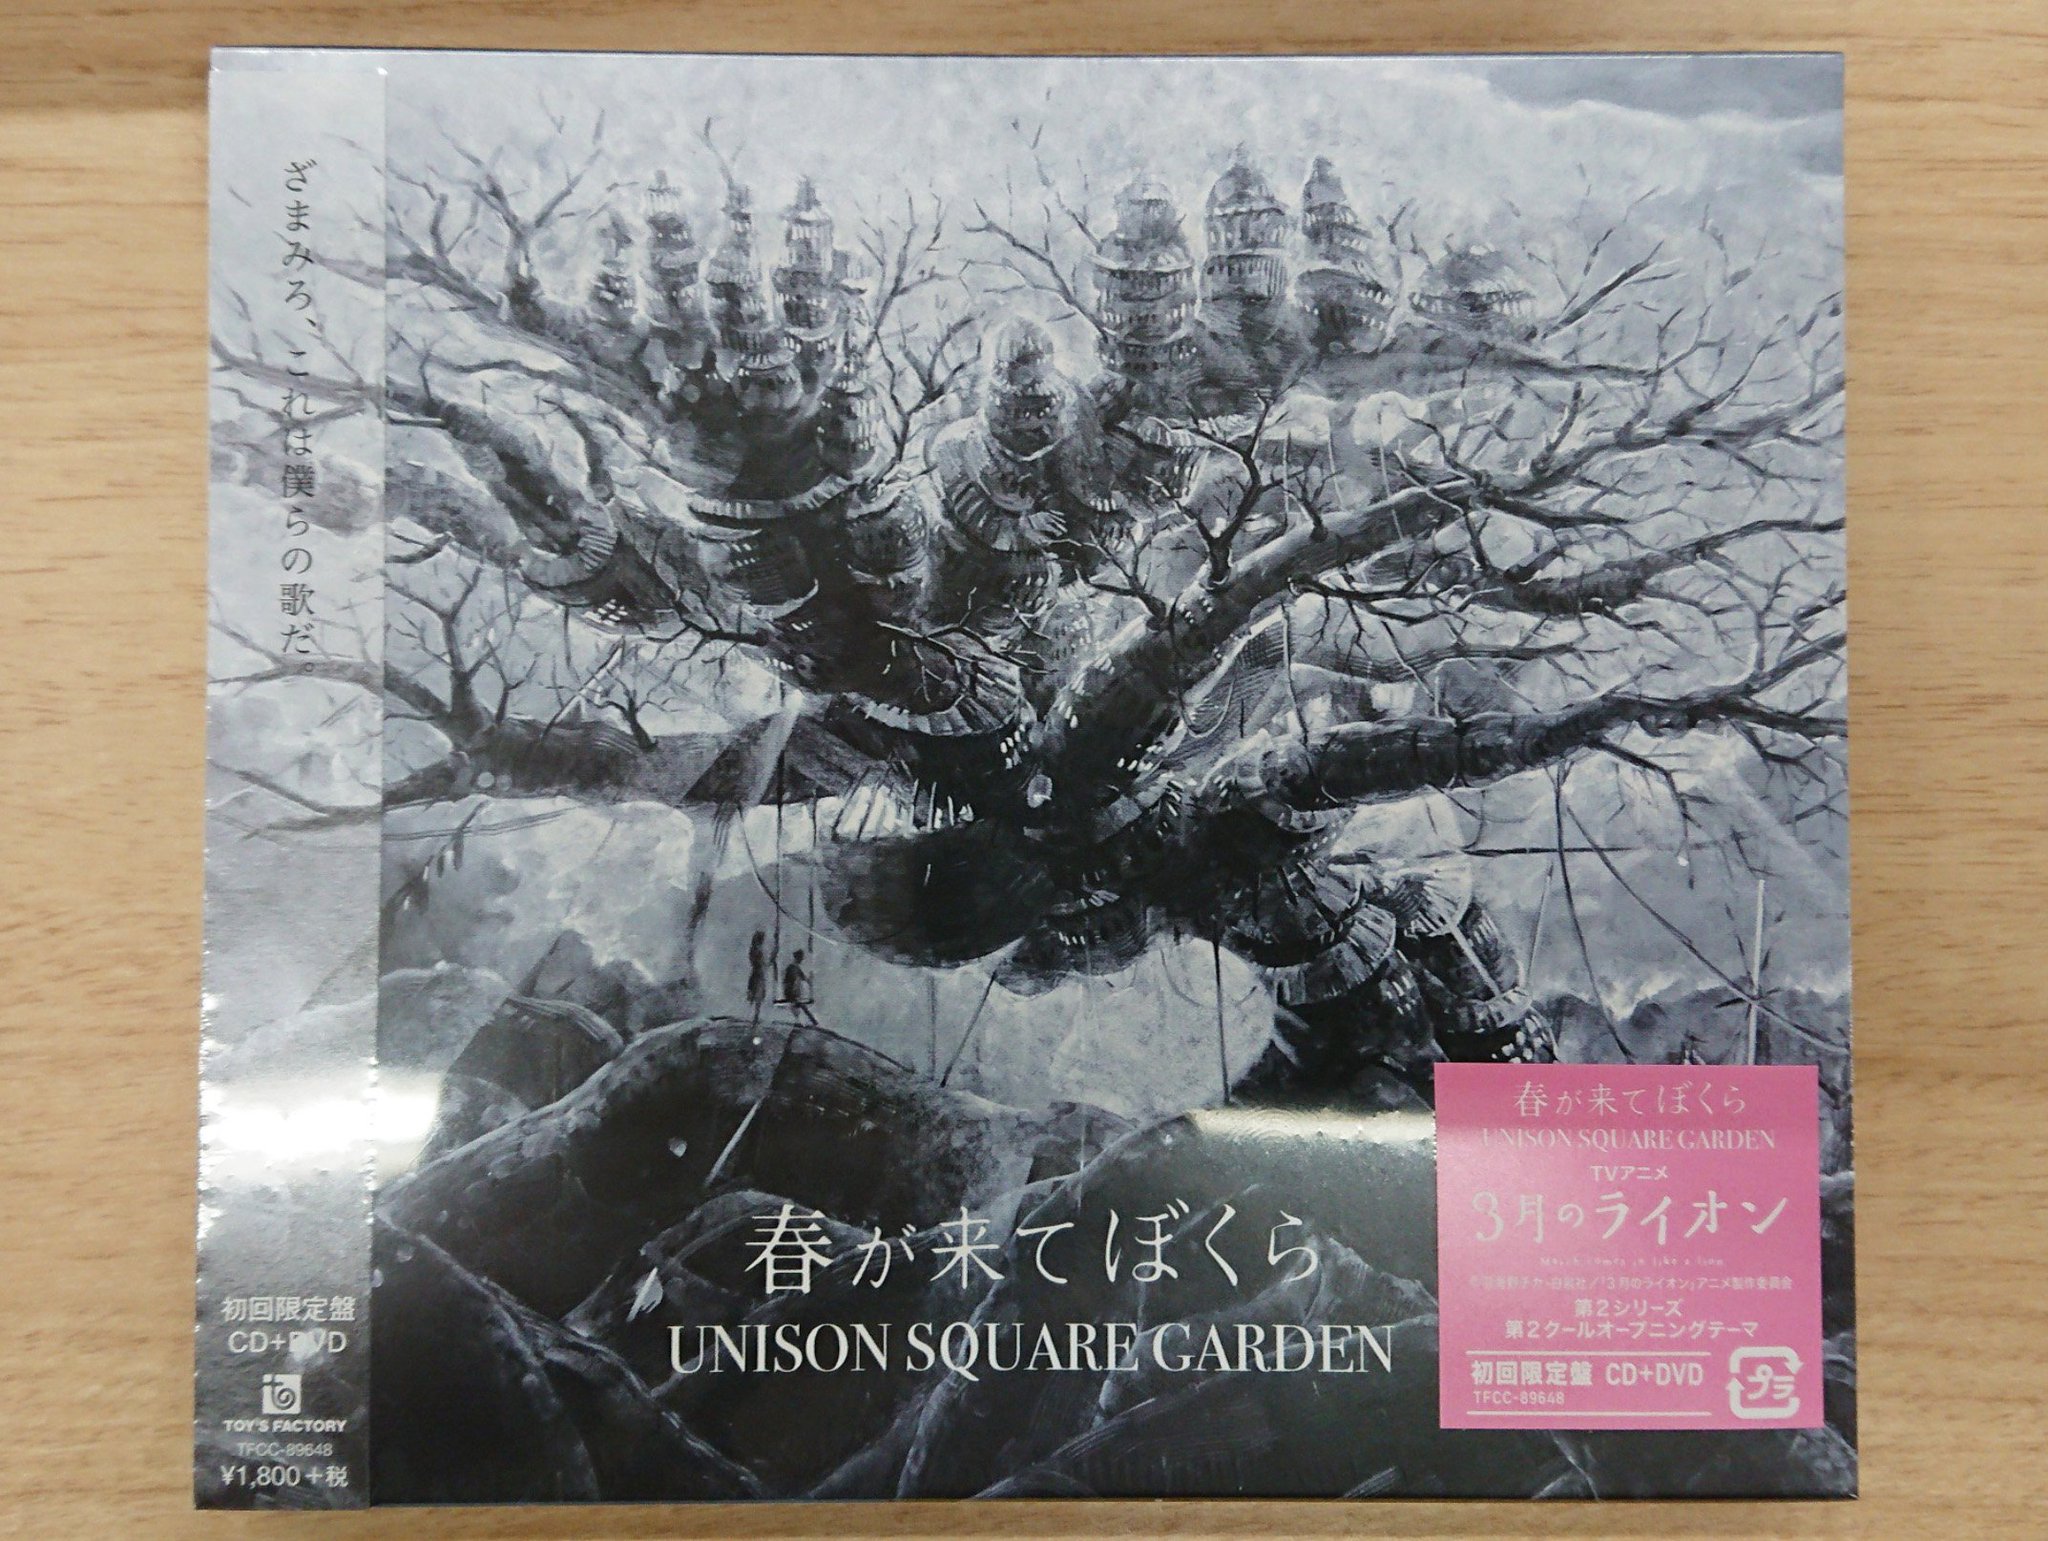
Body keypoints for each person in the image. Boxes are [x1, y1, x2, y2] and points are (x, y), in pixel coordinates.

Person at [779, 948, 818, 1027]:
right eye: (801, 958)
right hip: (791, 992)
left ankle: (803, 1022)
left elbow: (805, 979)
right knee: (800, 1006)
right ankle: (813, 1022)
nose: (802, 960)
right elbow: (787, 982)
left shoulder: (797, 968)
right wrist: (790, 990)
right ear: (798, 958)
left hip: (795, 993)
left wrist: (810, 979)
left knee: (798, 1008)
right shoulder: (791, 968)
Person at [746, 930, 771, 1025]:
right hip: (758, 974)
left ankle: (754, 1017)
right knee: (757, 997)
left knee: (756, 997)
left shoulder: (754, 949)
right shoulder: (757, 950)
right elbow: (761, 962)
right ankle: (754, 1018)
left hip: (757, 974)